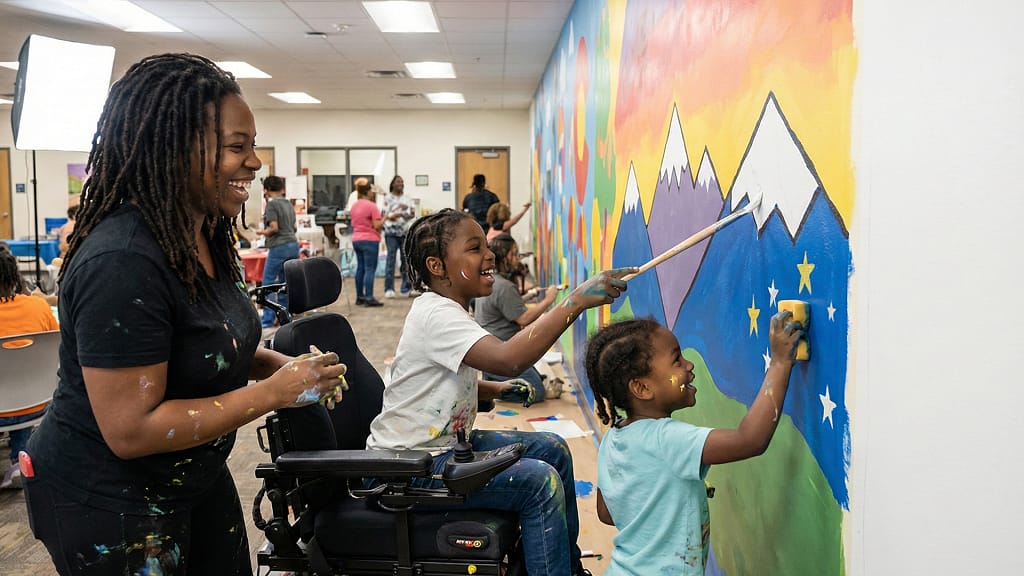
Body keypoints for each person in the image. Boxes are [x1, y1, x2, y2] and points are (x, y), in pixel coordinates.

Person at [22, 53, 347, 576]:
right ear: (175, 148)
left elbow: (208, 343)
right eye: (237, 147)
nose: (256, 163)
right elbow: (130, 429)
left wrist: (276, 365)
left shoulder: (204, 233)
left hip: (192, 472)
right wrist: (274, 393)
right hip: (110, 496)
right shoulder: (123, 260)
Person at [366, 208, 635, 576]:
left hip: (438, 448)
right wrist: (575, 301)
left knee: (553, 448)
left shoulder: (449, 310)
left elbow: (435, 387)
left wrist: (493, 389)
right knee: (540, 483)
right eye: (475, 248)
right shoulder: (438, 316)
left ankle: (564, 567)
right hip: (408, 467)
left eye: (486, 245)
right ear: (437, 266)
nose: (489, 254)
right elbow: (509, 358)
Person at [584, 313, 802, 576]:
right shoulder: (668, 439)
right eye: (677, 360)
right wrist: (780, 363)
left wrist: (670, 492)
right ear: (642, 388)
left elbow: (607, 512)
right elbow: (750, 440)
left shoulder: (614, 438)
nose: (689, 366)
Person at [474, 233, 559, 403]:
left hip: (490, 352)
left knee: (535, 377)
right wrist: (549, 300)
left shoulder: (492, 280)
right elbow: (524, 318)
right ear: (503, 258)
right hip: (502, 354)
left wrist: (531, 295)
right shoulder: (504, 286)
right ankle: (495, 386)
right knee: (536, 392)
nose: (517, 258)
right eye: (514, 254)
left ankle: (493, 379)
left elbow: (508, 307)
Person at [0, 249, 59, 490]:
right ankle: (19, 459)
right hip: (35, 404)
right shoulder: (39, 307)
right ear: (15, 275)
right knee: (19, 383)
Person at [255, 174, 299, 328]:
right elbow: (294, 228)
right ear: (281, 188)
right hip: (293, 245)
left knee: (267, 284)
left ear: (266, 190)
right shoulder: (288, 203)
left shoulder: (272, 205)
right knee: (284, 284)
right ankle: (284, 317)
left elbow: (274, 228)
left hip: (279, 246)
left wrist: (261, 232)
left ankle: (267, 320)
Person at [349, 177, 384, 307]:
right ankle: (369, 297)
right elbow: (376, 225)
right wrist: (384, 218)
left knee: (360, 268)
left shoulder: (354, 206)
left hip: (356, 239)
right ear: (368, 192)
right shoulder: (372, 206)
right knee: (370, 269)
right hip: (370, 240)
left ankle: (360, 297)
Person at [382, 175, 416, 298]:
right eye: (398, 181)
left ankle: (405, 288)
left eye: (402, 181)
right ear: (393, 184)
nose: (400, 183)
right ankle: (389, 288)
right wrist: (401, 212)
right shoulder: (387, 198)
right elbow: (385, 214)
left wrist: (397, 213)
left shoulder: (407, 198)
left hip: (404, 233)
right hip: (390, 233)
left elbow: (412, 212)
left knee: (405, 260)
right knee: (390, 260)